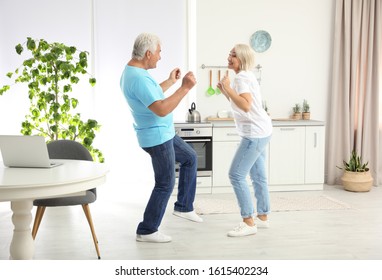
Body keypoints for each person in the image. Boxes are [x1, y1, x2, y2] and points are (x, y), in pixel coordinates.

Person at [120, 33, 203, 243]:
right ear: (148, 53)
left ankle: (184, 207)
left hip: (161, 133)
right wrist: (185, 88)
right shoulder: (138, 78)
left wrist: (170, 82)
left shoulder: (133, 71)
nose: (159, 56)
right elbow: (162, 109)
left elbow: (151, 94)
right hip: (157, 136)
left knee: (190, 158)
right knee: (165, 183)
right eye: (159, 52)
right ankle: (147, 230)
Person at [217, 44, 272, 237]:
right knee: (258, 176)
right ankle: (263, 217)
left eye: (234, 55)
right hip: (263, 130)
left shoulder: (240, 78)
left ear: (242, 59)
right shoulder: (247, 76)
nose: (229, 57)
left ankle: (248, 221)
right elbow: (240, 104)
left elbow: (246, 106)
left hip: (254, 133)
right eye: (229, 53)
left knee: (236, 175)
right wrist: (226, 90)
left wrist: (228, 87)